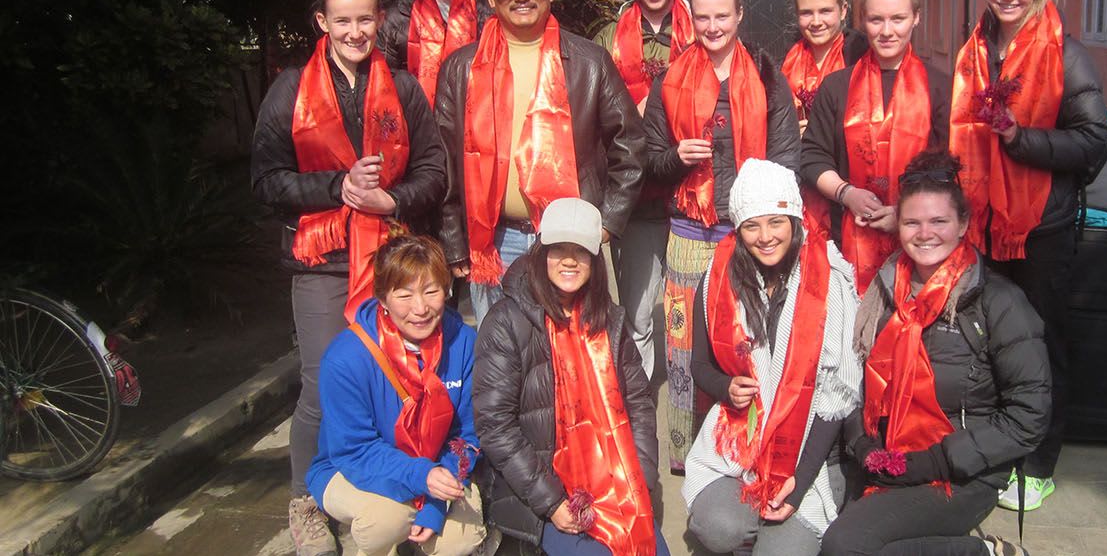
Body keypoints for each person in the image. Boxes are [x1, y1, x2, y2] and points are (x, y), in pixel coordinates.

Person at [250, 0, 446, 556]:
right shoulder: (291, 90)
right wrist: (336, 187)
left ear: (378, 19)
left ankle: (392, 486)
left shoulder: (404, 88)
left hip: (392, 260)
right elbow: (266, 181)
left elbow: (435, 173)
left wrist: (393, 198)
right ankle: (306, 504)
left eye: (365, 19)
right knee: (319, 384)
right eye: (343, 20)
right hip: (324, 259)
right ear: (322, 21)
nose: (356, 31)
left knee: (399, 380)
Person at [948, 0, 1107, 512]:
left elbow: (1093, 146)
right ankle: (998, 447)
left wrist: (1020, 140)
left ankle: (1039, 461)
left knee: (1040, 345)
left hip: (1041, 229)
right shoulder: (975, 51)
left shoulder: (1066, 53)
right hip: (984, 224)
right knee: (990, 344)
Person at [819, 151, 1049, 556]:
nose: (925, 234)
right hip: (886, 461)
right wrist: (861, 445)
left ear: (963, 225)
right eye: (912, 222)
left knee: (845, 545)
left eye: (939, 221)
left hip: (960, 473)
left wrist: (936, 463)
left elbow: (1028, 416)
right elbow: (851, 383)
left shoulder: (998, 302)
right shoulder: (883, 292)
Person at [434, 0, 644, 326]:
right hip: (494, 242)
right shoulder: (461, 69)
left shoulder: (589, 62)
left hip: (570, 239)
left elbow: (630, 144)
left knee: (570, 355)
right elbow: (443, 162)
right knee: (501, 361)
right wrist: (454, 241)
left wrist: (608, 222)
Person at [642, 0, 801, 471]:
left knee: (748, 342)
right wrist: (676, 157)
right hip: (689, 233)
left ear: (739, 15)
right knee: (684, 348)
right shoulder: (669, 79)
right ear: (692, 18)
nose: (712, 27)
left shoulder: (767, 74)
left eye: (722, 16)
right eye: (703, 16)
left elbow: (786, 157)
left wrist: (765, 222)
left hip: (748, 235)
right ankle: (687, 455)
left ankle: (750, 447)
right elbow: (648, 159)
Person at [681, 159, 861, 555]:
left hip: (810, 456)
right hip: (740, 447)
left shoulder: (831, 280)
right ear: (738, 229)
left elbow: (839, 397)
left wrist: (799, 479)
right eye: (751, 225)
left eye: (776, 222)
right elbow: (699, 366)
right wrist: (725, 387)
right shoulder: (719, 276)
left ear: (794, 220)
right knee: (715, 528)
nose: (765, 237)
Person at [472, 198, 669, 555]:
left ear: (595, 260)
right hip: (545, 492)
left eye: (580, 251)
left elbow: (638, 405)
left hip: (616, 480)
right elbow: (494, 425)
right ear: (540, 251)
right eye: (557, 248)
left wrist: (641, 477)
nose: (568, 260)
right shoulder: (506, 322)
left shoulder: (608, 319)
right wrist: (551, 504)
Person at [307, 230, 487, 556]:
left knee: (460, 539)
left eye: (431, 291)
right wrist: (421, 476)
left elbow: (468, 435)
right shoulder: (346, 358)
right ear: (382, 299)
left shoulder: (463, 343)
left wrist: (435, 502)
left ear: (447, 291)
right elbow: (354, 449)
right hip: (348, 467)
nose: (420, 308)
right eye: (404, 296)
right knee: (386, 522)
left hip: (437, 467)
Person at [800, 0, 951, 295]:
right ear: (862, 20)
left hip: (923, 245)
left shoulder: (940, 86)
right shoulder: (837, 86)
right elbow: (812, 157)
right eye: (875, 20)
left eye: (897, 19)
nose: (886, 31)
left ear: (916, 18)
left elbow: (954, 169)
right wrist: (847, 193)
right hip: (847, 240)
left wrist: (905, 214)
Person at [592, 0, 696, 380]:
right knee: (637, 315)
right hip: (638, 197)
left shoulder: (702, 30)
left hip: (696, 194)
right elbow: (592, 115)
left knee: (696, 314)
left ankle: (692, 402)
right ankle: (640, 406)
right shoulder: (608, 37)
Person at [781, 0, 868, 243]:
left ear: (843, 10)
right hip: (800, 185)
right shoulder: (787, 58)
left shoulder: (861, 55)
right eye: (807, 13)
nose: (816, 22)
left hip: (851, 185)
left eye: (825, 11)